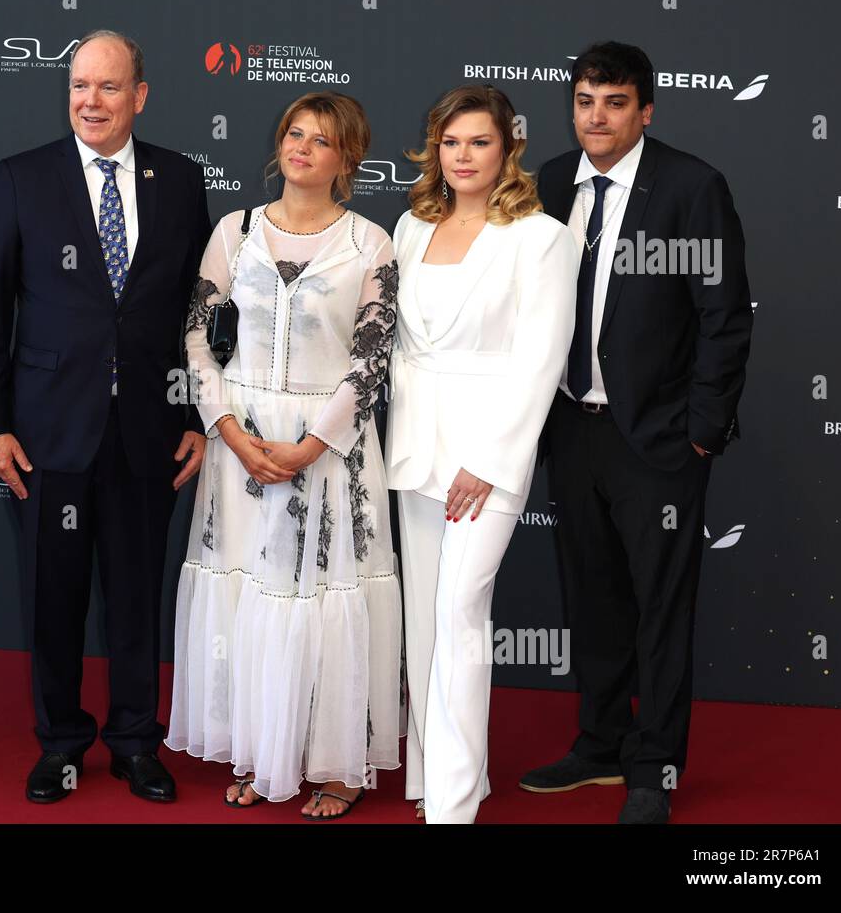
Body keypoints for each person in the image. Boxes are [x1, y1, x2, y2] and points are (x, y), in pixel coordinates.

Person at [0, 30, 212, 804]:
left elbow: (198, 316)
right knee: (54, 596)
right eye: (79, 85)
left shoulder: (178, 179)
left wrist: (197, 416)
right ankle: (62, 743)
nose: (90, 101)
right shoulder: (21, 179)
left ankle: (137, 741)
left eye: (108, 87)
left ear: (140, 96)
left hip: (147, 431)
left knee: (137, 596)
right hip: (46, 434)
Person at [518, 42, 752, 823]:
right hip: (571, 431)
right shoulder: (549, 182)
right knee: (593, 599)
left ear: (645, 110)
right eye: (586, 100)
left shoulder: (691, 187)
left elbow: (724, 318)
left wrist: (701, 432)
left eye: (615, 103)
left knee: (660, 605)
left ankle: (654, 765)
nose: (598, 116)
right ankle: (600, 744)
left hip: (658, 440)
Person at [167, 92, 403, 820]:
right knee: (250, 597)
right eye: (294, 134)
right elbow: (198, 340)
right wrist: (231, 432)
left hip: (330, 454)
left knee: (321, 603)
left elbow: (371, 363)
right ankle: (258, 753)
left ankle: (339, 763)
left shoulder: (372, 243)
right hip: (239, 445)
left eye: (322, 140)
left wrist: (306, 448)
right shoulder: (233, 232)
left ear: (347, 159)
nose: (302, 148)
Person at [387, 85, 579, 823]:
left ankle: (454, 806)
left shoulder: (541, 237)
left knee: (462, 612)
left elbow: (541, 360)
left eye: (479, 143)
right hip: (416, 449)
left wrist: (493, 460)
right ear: (435, 149)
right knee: (425, 623)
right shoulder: (410, 225)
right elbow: (401, 350)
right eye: (450, 142)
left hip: (487, 454)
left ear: (508, 150)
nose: (463, 156)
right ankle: (436, 778)